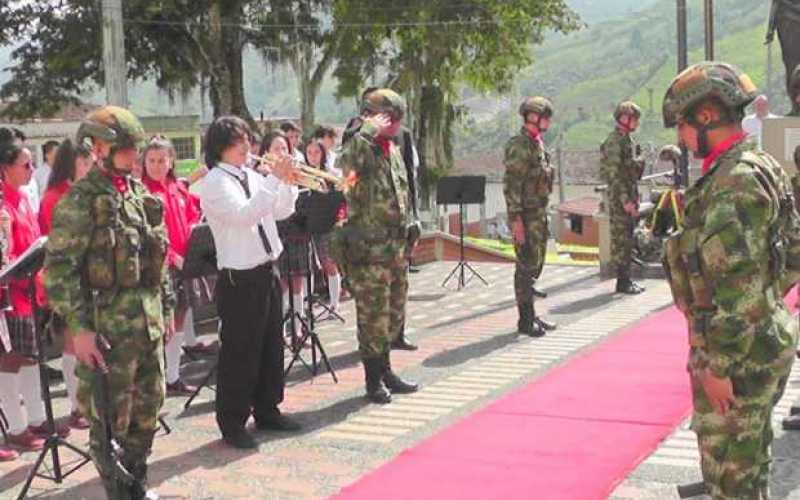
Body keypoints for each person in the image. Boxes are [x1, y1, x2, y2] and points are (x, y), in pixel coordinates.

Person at [662, 61, 799, 500]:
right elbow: (791, 255)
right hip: (764, 341)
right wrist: (766, 305)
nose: (680, 135)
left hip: (738, 360)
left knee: (730, 481)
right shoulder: (760, 165)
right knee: (751, 466)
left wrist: (719, 366)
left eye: (682, 124)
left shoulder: (732, 184)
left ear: (706, 116)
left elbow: (735, 292)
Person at [44, 106, 176, 499]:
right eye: (126, 148)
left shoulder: (137, 195)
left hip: (147, 327)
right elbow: (59, 271)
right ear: (99, 147)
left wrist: (165, 310)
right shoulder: (80, 201)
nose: (134, 156)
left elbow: (159, 260)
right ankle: (119, 492)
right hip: (107, 335)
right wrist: (79, 330)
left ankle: (136, 484)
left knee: (147, 415)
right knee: (109, 423)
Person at [196, 116, 301, 450]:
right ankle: (232, 421)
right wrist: (273, 181)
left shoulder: (252, 177)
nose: (246, 147)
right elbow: (244, 215)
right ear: (220, 147)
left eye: (246, 139)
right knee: (241, 351)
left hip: (266, 269)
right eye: (237, 141)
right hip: (238, 277)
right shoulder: (215, 182)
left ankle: (268, 408)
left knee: (271, 344)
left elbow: (280, 210)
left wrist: (287, 182)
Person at [332, 88, 419, 404]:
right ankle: (373, 381)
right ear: (372, 117)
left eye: (397, 119)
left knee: (393, 314)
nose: (396, 125)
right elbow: (344, 164)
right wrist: (367, 130)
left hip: (394, 247)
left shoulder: (392, 148)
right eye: (390, 118)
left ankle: (386, 371)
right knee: (373, 317)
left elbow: (402, 189)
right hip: (369, 251)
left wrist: (411, 223)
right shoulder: (361, 148)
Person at [0, 141, 71, 460]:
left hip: (29, 292)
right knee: (10, 361)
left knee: (30, 357)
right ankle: (16, 428)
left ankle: (37, 419)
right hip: (11, 296)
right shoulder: (2, 205)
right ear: (5, 168)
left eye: (32, 165)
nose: (32, 170)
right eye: (25, 165)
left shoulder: (23, 200)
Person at [38, 139, 94, 430]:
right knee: (73, 345)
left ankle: (88, 401)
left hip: (90, 278)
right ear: (71, 165)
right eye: (85, 163)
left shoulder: (82, 193)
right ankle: (77, 406)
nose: (90, 168)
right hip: (69, 280)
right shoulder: (54, 197)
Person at [141, 136, 202, 397]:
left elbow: (193, 216)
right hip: (160, 268)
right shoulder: (142, 193)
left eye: (161, 160)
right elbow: (148, 236)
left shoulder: (177, 188)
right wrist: (173, 257)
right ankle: (155, 380)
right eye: (151, 160)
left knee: (179, 318)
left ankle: (174, 375)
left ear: (171, 161)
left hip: (185, 265)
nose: (156, 165)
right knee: (162, 325)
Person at [503, 97, 558, 337]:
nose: (547, 121)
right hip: (524, 215)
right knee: (525, 266)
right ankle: (524, 320)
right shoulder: (519, 145)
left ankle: (532, 314)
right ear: (533, 117)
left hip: (538, 213)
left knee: (535, 264)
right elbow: (512, 185)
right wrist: (516, 221)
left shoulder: (537, 144)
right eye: (544, 116)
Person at [259, 131, 309, 342]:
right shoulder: (262, 176)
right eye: (277, 149)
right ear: (266, 152)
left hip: (293, 227)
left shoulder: (292, 176)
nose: (282, 153)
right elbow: (273, 207)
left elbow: (292, 204)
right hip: (273, 228)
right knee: (281, 284)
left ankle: (297, 329)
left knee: (298, 280)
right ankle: (278, 333)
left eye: (285, 149)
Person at [600, 101, 646, 294]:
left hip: (628, 193)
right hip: (620, 198)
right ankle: (623, 281)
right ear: (624, 119)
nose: (636, 123)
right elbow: (614, 175)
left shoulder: (626, 140)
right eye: (633, 118)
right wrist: (625, 200)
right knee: (621, 239)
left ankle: (626, 279)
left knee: (627, 237)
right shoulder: (615, 141)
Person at [305, 140, 345, 317]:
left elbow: (340, 198)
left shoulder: (330, 175)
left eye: (316, 152)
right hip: (308, 225)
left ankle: (335, 303)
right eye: (309, 153)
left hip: (326, 225)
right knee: (314, 266)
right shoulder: (303, 174)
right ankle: (307, 304)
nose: (312, 156)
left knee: (330, 264)